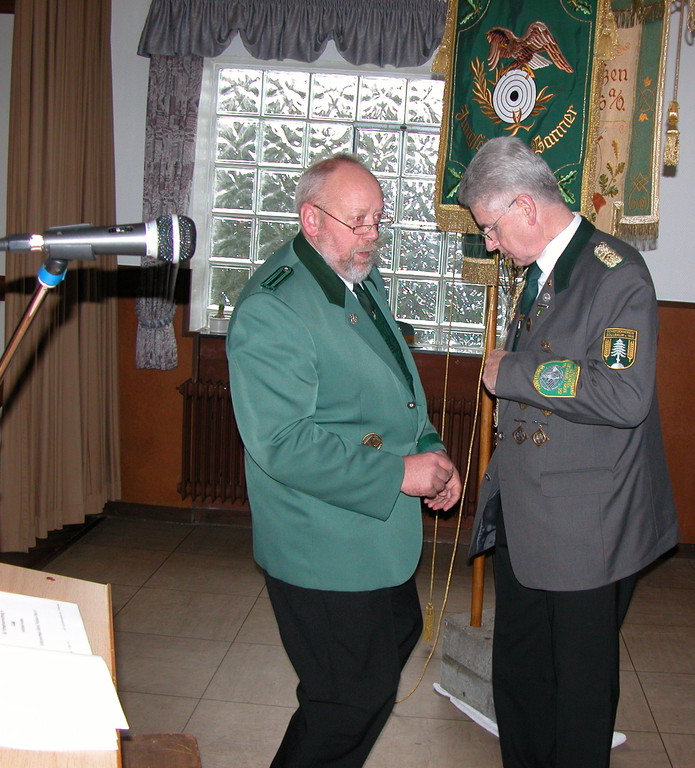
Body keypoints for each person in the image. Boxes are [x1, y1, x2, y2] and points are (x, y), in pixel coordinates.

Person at [227, 154, 461, 768]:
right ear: (312, 219)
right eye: (359, 222)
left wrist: (428, 445)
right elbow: (283, 443)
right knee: (345, 701)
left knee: (391, 644)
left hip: (372, 535)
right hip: (322, 544)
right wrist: (399, 473)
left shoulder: (351, 271)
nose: (372, 236)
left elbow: (397, 382)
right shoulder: (274, 308)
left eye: (379, 221)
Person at [460, 136, 678, 768]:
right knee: (522, 682)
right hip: (531, 519)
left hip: (589, 527)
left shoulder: (617, 274)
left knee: (578, 700)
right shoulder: (543, 273)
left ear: (525, 207)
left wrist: (517, 373)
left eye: (491, 229)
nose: (491, 244)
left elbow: (623, 392)